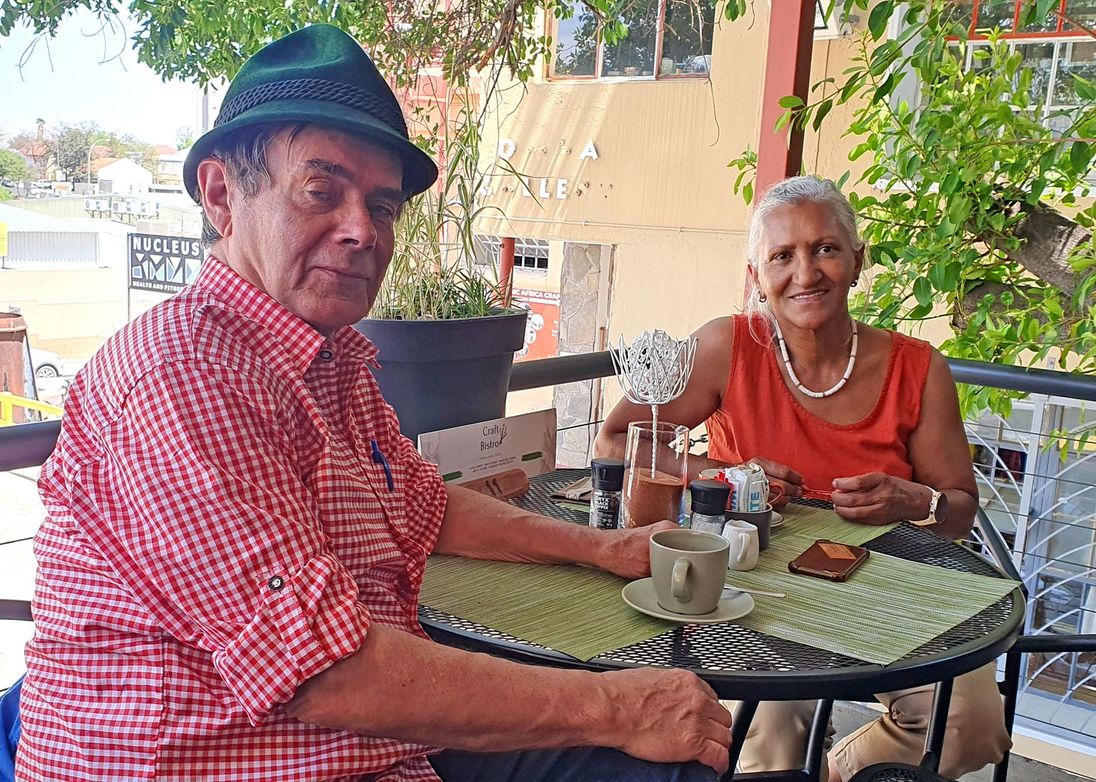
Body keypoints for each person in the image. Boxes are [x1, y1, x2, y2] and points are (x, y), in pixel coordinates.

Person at [16, 25, 732, 782]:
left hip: (367, 743)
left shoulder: (333, 363)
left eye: (382, 207)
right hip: (218, 762)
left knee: (672, 762)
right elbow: (326, 673)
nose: (362, 230)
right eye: (321, 192)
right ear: (223, 195)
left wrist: (603, 548)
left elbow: (426, 508)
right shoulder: (183, 372)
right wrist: (618, 707)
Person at [594, 176, 1010, 781]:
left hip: (883, 585)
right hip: (754, 589)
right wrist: (726, 475)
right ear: (755, 276)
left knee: (970, 723)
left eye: (825, 249)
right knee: (766, 726)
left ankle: (839, 771)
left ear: (858, 261)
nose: (805, 273)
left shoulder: (918, 368)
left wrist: (916, 500)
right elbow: (618, 440)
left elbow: (959, 509)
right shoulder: (726, 346)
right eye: (782, 256)